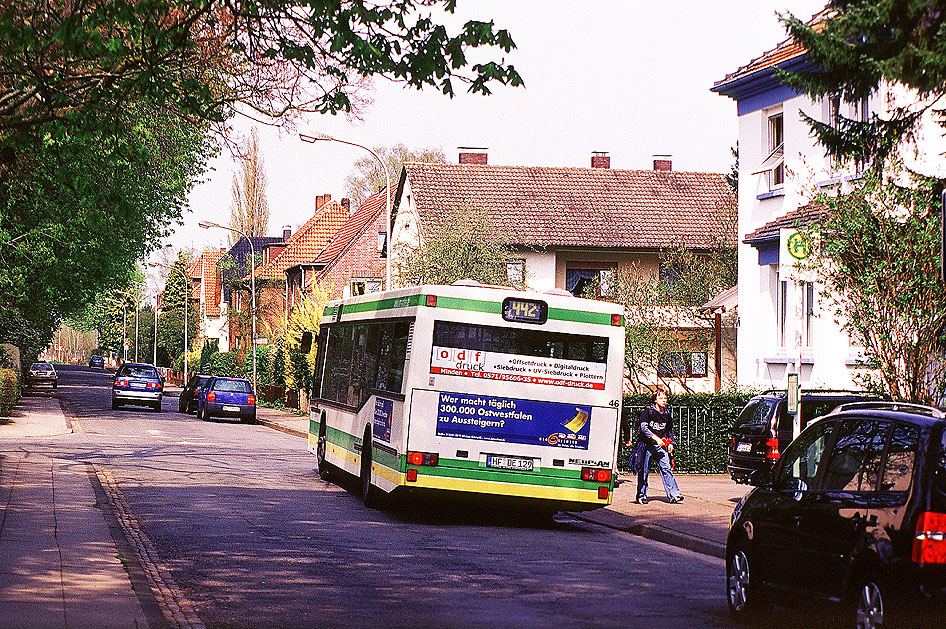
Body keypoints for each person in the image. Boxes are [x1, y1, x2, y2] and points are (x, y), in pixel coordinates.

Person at [633, 388, 683, 504]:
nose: (664, 400)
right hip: (647, 445)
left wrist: (671, 443)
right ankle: (641, 495)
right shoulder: (648, 412)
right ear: (655, 399)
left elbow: (669, 430)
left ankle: (674, 495)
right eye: (661, 398)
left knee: (667, 468)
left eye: (665, 398)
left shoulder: (667, 414)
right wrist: (655, 438)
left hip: (661, 447)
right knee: (644, 471)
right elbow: (644, 428)